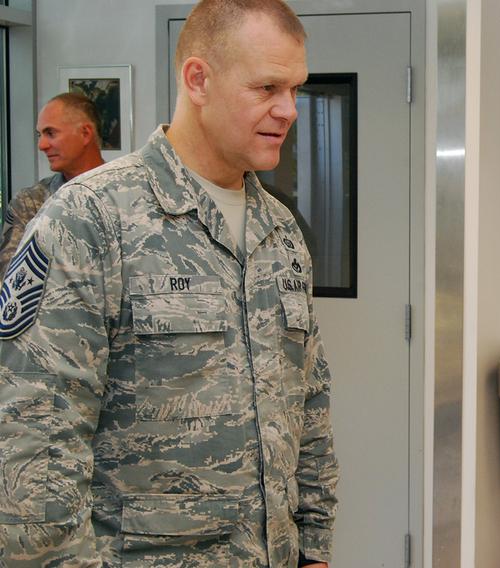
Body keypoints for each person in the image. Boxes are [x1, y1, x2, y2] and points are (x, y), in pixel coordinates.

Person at [0, 1, 338, 566]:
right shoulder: (90, 218)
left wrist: (315, 546)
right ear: (198, 79)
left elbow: (311, 403)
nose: (289, 110)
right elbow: (33, 439)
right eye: (268, 88)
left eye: (296, 90)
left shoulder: (280, 231)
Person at [0, 92, 104, 276]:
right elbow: (10, 278)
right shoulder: (30, 203)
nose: (41, 145)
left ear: (85, 133)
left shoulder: (127, 195)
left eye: (50, 133)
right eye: (39, 135)